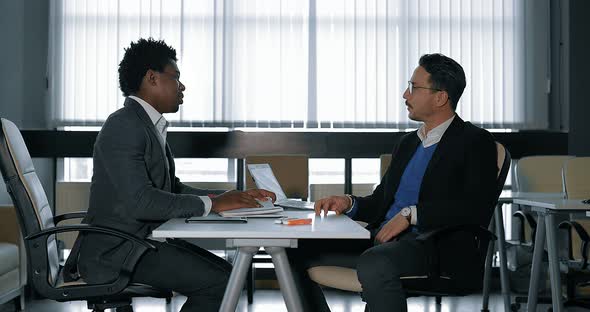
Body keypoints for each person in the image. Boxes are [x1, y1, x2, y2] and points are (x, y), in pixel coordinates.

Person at [70, 38, 275, 312]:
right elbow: (141, 202)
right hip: (117, 252)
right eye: (175, 77)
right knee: (223, 282)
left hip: (139, 242)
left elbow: (171, 188)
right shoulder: (124, 125)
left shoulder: (145, 124)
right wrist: (214, 204)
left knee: (228, 274)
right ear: (152, 78)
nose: (182, 86)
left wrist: (225, 197)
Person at [287, 53, 498, 312]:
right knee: (291, 249)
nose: (405, 95)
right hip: (383, 240)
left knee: (376, 262)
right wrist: (348, 203)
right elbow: (380, 203)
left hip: (434, 247)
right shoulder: (407, 143)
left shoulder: (476, 142)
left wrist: (411, 215)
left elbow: (474, 207)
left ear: (440, 97)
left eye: (414, 87)